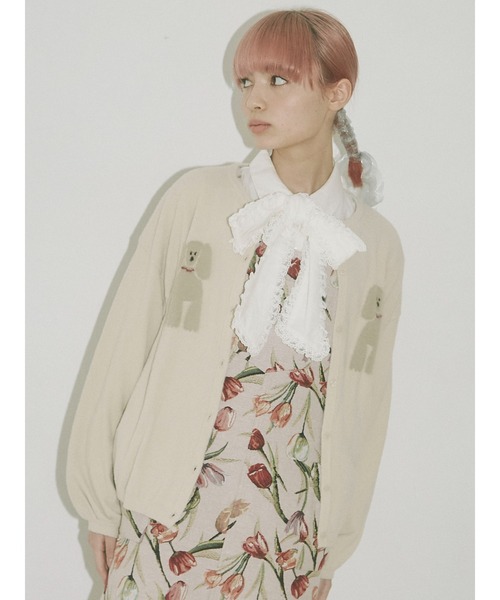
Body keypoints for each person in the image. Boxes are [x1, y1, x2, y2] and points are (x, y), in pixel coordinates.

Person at [66, 9, 403, 600]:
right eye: (245, 82)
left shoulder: (374, 244)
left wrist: (332, 546)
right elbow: (125, 344)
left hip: (287, 533)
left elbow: (366, 407)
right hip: (165, 515)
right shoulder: (198, 198)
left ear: (337, 92)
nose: (254, 99)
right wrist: (101, 504)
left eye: (279, 80)